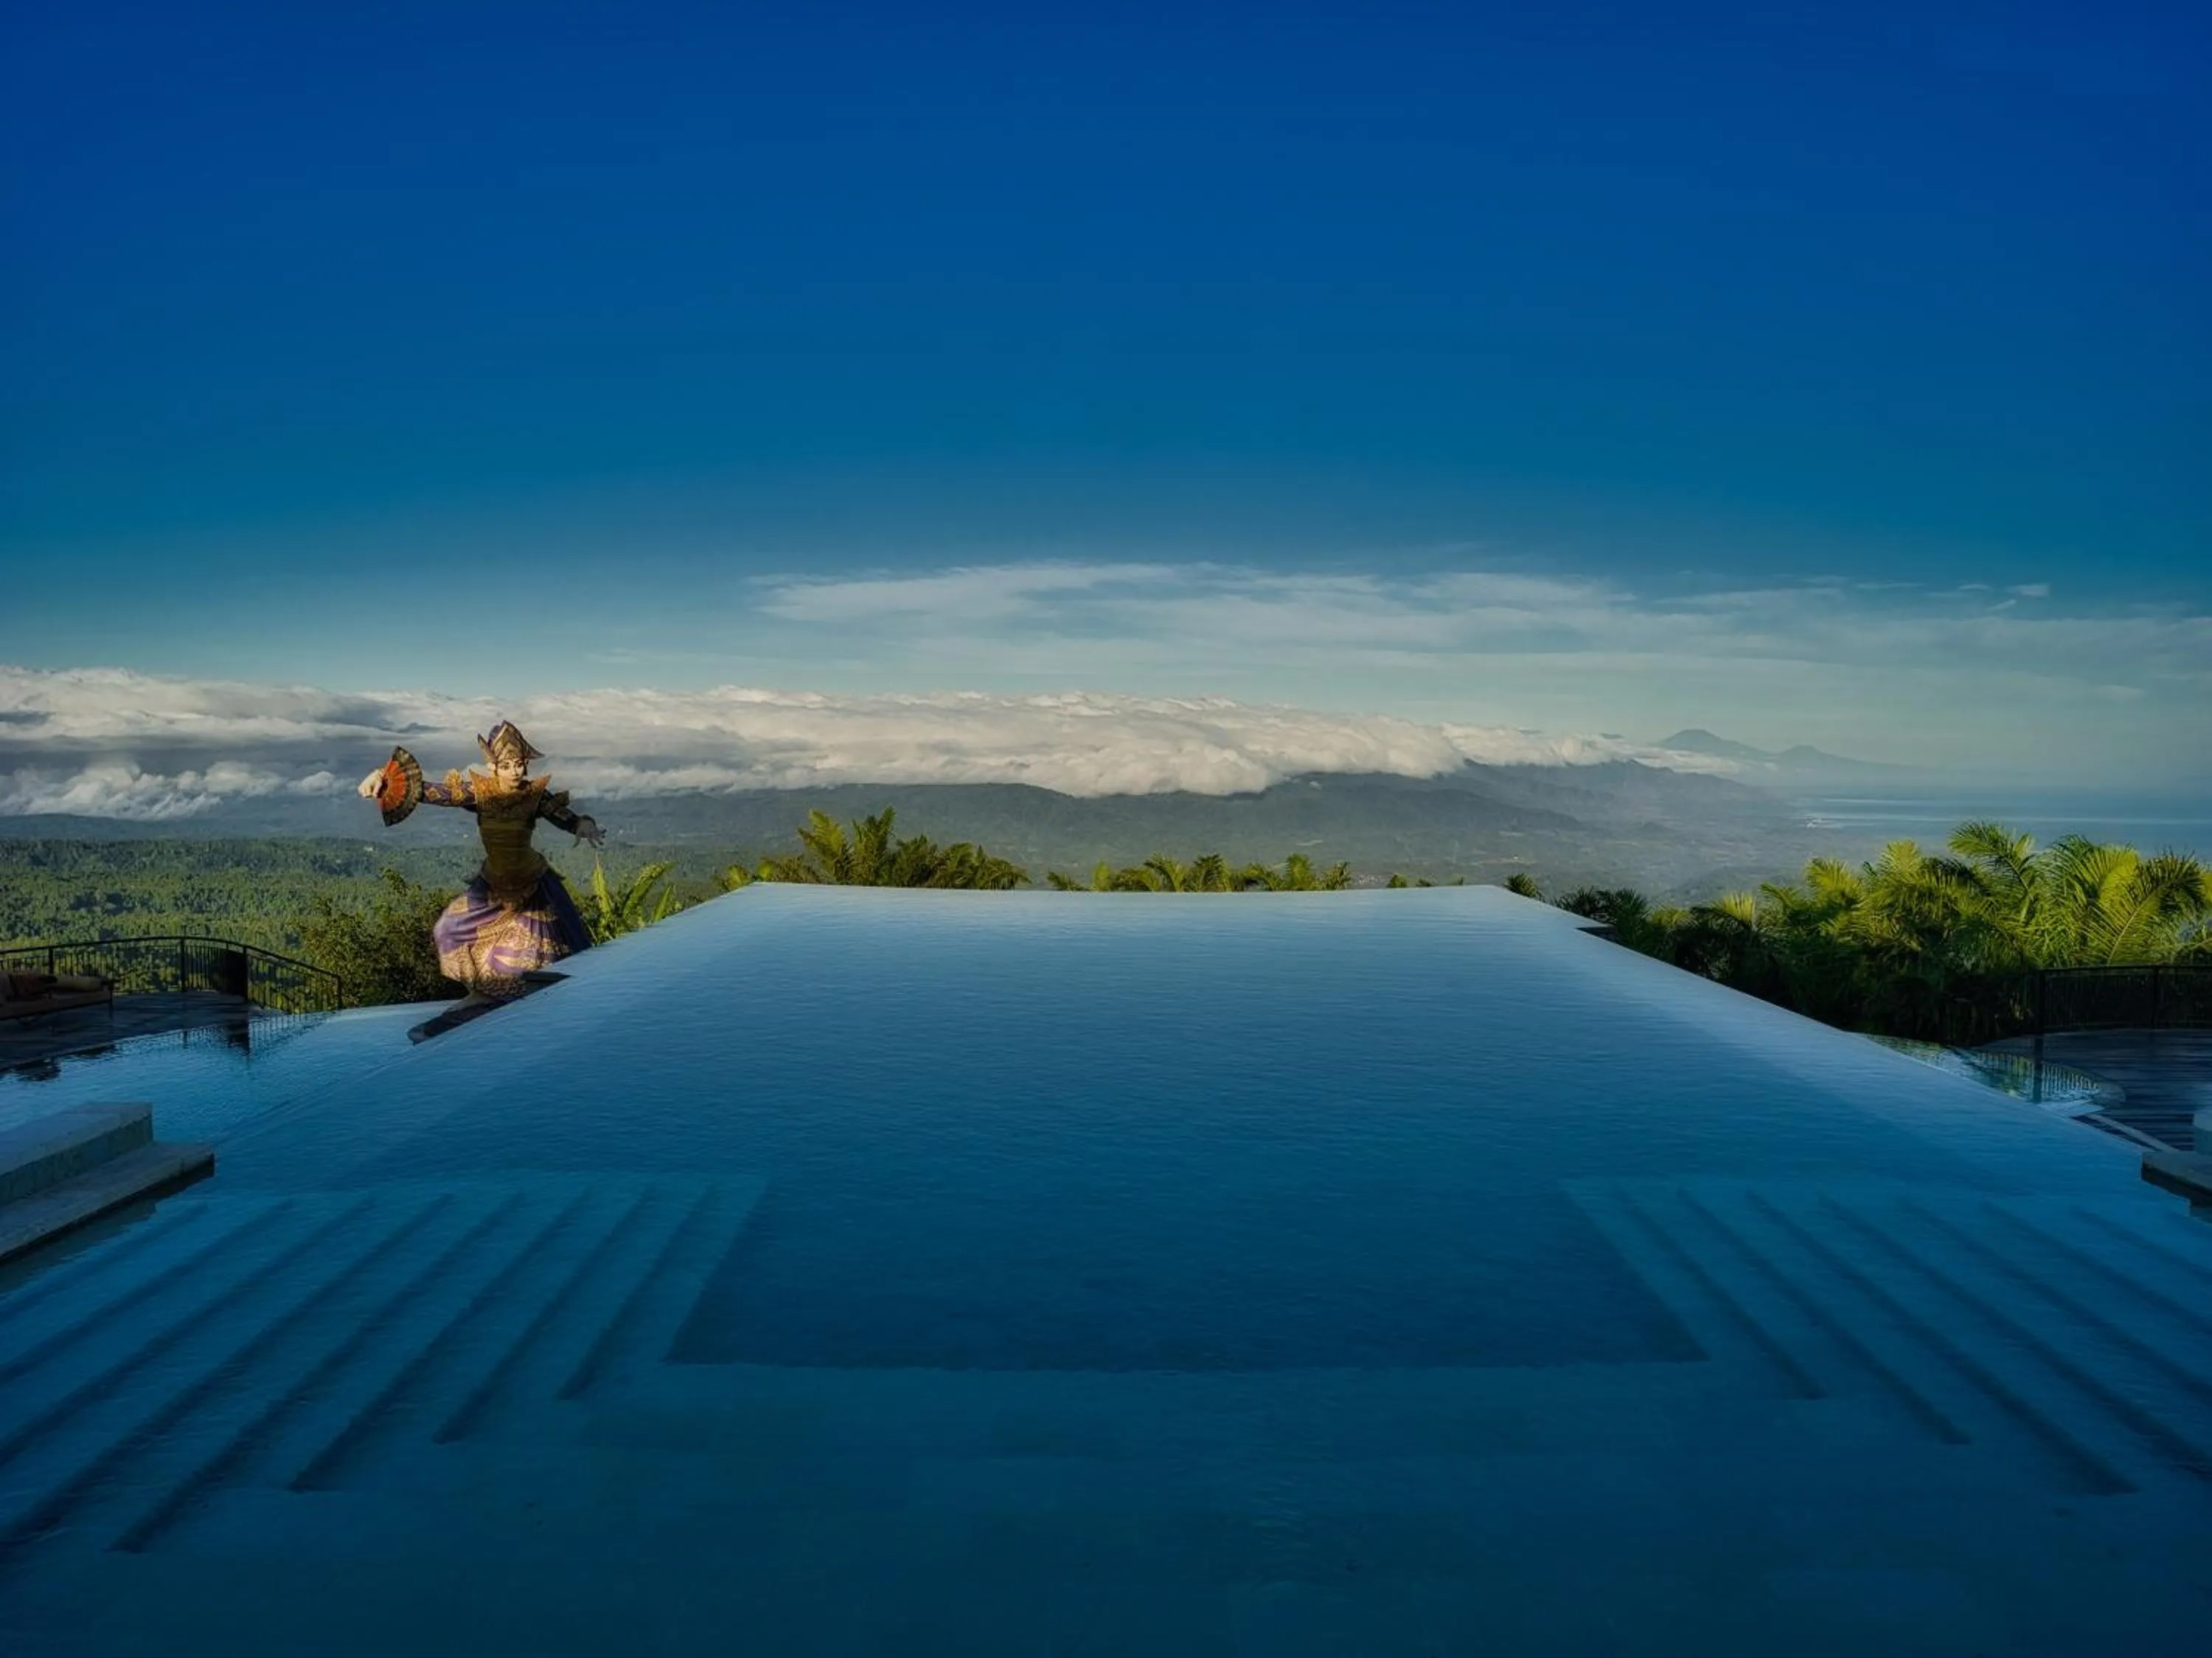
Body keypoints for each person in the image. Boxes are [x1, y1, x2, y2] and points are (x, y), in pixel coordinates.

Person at [358, 721, 604, 999]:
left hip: (533, 886)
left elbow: (567, 819)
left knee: (533, 958)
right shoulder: (479, 793)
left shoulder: (535, 796)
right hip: (492, 885)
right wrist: (383, 776)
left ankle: (529, 1012)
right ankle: (481, 994)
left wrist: (584, 826)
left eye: (520, 764)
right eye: (508, 765)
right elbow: (431, 792)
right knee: (448, 932)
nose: (516, 771)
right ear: (493, 767)